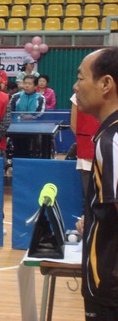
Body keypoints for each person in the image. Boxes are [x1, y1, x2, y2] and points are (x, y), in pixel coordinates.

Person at [73, 48, 118, 321]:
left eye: (81, 78)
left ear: (105, 84)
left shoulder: (112, 141)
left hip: (110, 289)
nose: (75, 87)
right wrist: (93, 221)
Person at [69, 93, 100, 205]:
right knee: (89, 196)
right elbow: (74, 125)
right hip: (87, 151)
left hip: (109, 151)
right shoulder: (77, 94)